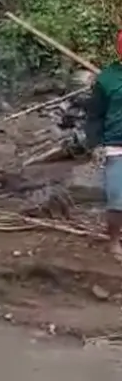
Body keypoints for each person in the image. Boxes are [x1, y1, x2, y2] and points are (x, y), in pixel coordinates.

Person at [86, 29, 122, 262]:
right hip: (116, 146)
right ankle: (114, 241)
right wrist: (95, 144)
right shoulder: (107, 79)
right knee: (117, 199)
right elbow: (94, 115)